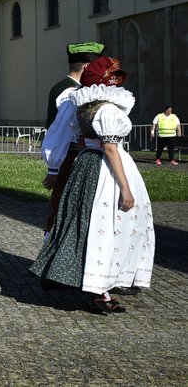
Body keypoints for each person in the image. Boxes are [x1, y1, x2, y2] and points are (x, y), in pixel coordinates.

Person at [30, 57, 155, 314]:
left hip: (86, 166)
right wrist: (126, 188)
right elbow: (110, 148)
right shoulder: (106, 110)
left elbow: (80, 139)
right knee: (108, 225)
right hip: (105, 170)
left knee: (86, 225)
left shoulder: (83, 108)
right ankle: (100, 286)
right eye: (112, 79)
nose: (116, 83)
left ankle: (93, 282)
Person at [41, 42, 104, 239]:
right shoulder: (70, 92)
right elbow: (58, 132)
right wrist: (54, 168)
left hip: (73, 154)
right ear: (86, 67)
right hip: (70, 155)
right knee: (63, 204)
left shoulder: (67, 88)